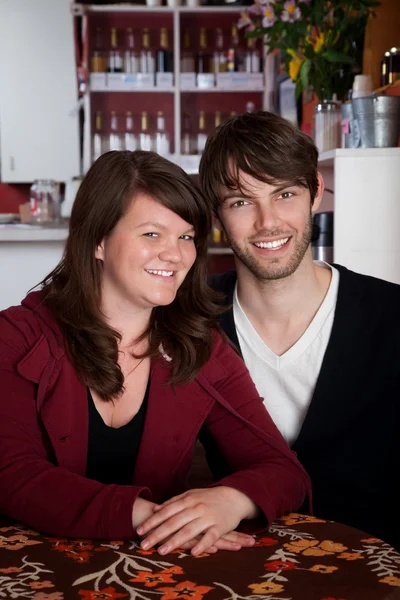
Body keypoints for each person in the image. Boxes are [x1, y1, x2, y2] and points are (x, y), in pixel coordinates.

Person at [0, 150, 310, 556]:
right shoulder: (17, 335)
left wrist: (230, 501)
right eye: (151, 234)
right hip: (30, 570)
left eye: (185, 237)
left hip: (153, 570)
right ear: (98, 240)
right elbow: (12, 474)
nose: (175, 254)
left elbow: (284, 471)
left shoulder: (200, 348)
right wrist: (149, 516)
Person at [199, 111, 399, 551]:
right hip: (234, 569)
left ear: (316, 193)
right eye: (240, 201)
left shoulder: (390, 317)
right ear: (217, 214)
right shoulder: (191, 323)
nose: (267, 221)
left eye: (285, 194)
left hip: (373, 573)